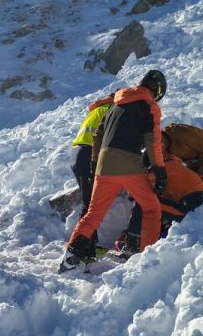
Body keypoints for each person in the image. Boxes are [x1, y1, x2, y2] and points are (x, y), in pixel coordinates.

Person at [59, 69, 168, 272]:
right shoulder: (149, 106)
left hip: (103, 165)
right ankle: (147, 259)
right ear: (158, 91)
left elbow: (98, 135)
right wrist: (159, 171)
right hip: (128, 162)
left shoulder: (116, 104)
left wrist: (94, 165)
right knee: (151, 207)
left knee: (93, 214)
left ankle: (71, 257)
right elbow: (153, 141)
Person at [116, 153, 203, 257]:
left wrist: (127, 231)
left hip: (189, 206)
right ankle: (140, 242)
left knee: (142, 204)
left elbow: (133, 195)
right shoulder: (169, 164)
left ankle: (131, 247)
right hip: (195, 202)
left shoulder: (156, 171)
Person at [70, 93, 114, 216]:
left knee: (89, 202)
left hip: (76, 153)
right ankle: (83, 234)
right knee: (91, 208)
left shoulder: (96, 110)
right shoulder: (112, 109)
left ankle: (86, 233)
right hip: (89, 154)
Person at [162, 123, 203, 193]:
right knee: (190, 187)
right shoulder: (160, 149)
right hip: (195, 158)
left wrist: (201, 175)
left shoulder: (183, 134)